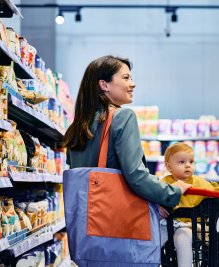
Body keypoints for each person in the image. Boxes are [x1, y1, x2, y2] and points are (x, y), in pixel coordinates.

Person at [63, 55, 191, 257]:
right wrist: (173, 192)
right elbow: (135, 175)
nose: (133, 84)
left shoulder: (76, 128)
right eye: (126, 78)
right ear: (104, 85)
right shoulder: (123, 116)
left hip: (87, 232)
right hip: (119, 229)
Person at [160, 142, 219, 267]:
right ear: (169, 167)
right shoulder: (164, 182)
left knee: (182, 239)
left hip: (189, 226)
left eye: (191, 162)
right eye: (181, 162)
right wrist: (158, 206)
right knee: (153, 242)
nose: (187, 165)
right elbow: (154, 196)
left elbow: (216, 191)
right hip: (166, 223)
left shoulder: (199, 182)